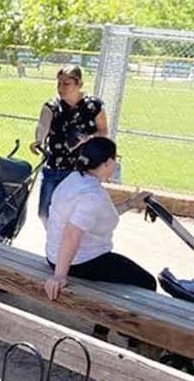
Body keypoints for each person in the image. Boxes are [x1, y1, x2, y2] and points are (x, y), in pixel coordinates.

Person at [44, 137, 155, 301]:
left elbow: (99, 215)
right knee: (148, 283)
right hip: (80, 262)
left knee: (124, 274)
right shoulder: (92, 195)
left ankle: (104, 326)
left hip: (55, 256)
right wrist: (59, 276)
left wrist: (131, 203)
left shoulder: (75, 179)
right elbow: (72, 233)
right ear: (108, 162)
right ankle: (111, 325)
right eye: (115, 159)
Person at [32, 64, 108, 224]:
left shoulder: (94, 106)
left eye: (66, 83)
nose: (61, 88)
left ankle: (64, 245)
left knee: (73, 215)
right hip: (54, 166)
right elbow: (43, 125)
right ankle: (56, 240)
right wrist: (38, 140)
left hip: (81, 171)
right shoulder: (52, 106)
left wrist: (88, 138)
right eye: (59, 83)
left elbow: (103, 131)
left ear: (78, 83)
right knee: (45, 212)